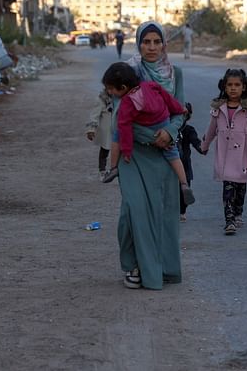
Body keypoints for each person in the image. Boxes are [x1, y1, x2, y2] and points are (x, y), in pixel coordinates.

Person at [112, 21, 186, 290]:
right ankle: (132, 265)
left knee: (165, 213)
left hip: (164, 154)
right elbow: (120, 118)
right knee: (132, 213)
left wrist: (168, 132)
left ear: (164, 44)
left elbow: (180, 112)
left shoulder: (174, 73)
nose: (152, 47)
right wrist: (150, 137)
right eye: (146, 42)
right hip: (134, 156)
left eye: (157, 42)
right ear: (138, 43)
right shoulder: (128, 73)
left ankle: (163, 268)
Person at [100, 62, 194, 205]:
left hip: (148, 128)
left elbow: (125, 128)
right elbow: (167, 99)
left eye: (111, 89)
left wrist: (126, 152)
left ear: (123, 88)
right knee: (173, 154)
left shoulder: (127, 103)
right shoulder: (150, 85)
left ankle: (113, 168)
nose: (110, 93)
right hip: (163, 123)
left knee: (116, 135)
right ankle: (184, 184)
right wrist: (180, 108)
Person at [199, 68, 247, 235]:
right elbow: (211, 129)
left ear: (244, 87)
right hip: (225, 156)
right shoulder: (218, 109)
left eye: (237, 85)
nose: (233, 88)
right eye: (230, 85)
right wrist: (204, 146)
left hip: (244, 156)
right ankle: (229, 220)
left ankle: (238, 212)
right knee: (228, 186)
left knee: (240, 187)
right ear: (224, 86)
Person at [177, 102, 203, 222]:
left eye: (184, 115)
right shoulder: (167, 130)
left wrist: (202, 147)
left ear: (188, 116)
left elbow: (196, 142)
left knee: (185, 188)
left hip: (185, 165)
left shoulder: (189, 130)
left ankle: (182, 211)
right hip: (170, 165)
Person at [85, 88, 113, 181]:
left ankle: (117, 170)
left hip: (119, 129)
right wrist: (91, 129)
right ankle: (102, 170)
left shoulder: (121, 97)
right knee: (105, 150)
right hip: (107, 130)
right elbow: (94, 115)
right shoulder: (101, 99)